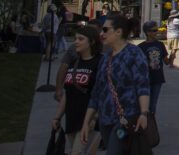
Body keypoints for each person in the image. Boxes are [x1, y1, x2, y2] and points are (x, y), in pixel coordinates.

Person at [81, 13, 150, 155]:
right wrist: (86, 122)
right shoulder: (106, 57)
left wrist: (143, 113)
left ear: (118, 32)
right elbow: (97, 92)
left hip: (126, 118)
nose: (102, 33)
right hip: (105, 119)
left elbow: (143, 85)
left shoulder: (134, 54)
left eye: (106, 30)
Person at [51, 24, 102, 155]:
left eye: (80, 39)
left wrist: (95, 117)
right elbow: (68, 93)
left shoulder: (100, 62)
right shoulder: (75, 63)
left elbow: (102, 93)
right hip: (71, 120)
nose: (76, 42)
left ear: (91, 42)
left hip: (89, 121)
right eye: (75, 39)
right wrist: (57, 117)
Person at [138, 21, 175, 115]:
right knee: (144, 105)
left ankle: (151, 125)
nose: (157, 32)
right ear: (147, 32)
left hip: (158, 78)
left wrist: (172, 57)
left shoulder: (160, 45)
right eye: (154, 31)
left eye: (157, 30)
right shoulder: (140, 47)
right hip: (145, 80)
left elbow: (166, 62)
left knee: (153, 105)